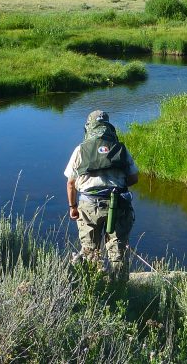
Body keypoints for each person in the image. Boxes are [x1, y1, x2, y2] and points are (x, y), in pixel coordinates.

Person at [64, 110, 139, 277]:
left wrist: (73, 207)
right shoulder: (120, 148)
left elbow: (70, 183)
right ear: (108, 126)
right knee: (117, 250)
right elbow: (134, 178)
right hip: (118, 203)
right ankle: (118, 287)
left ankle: (94, 285)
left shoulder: (81, 150)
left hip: (89, 205)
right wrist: (119, 185)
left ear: (89, 127)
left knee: (90, 250)